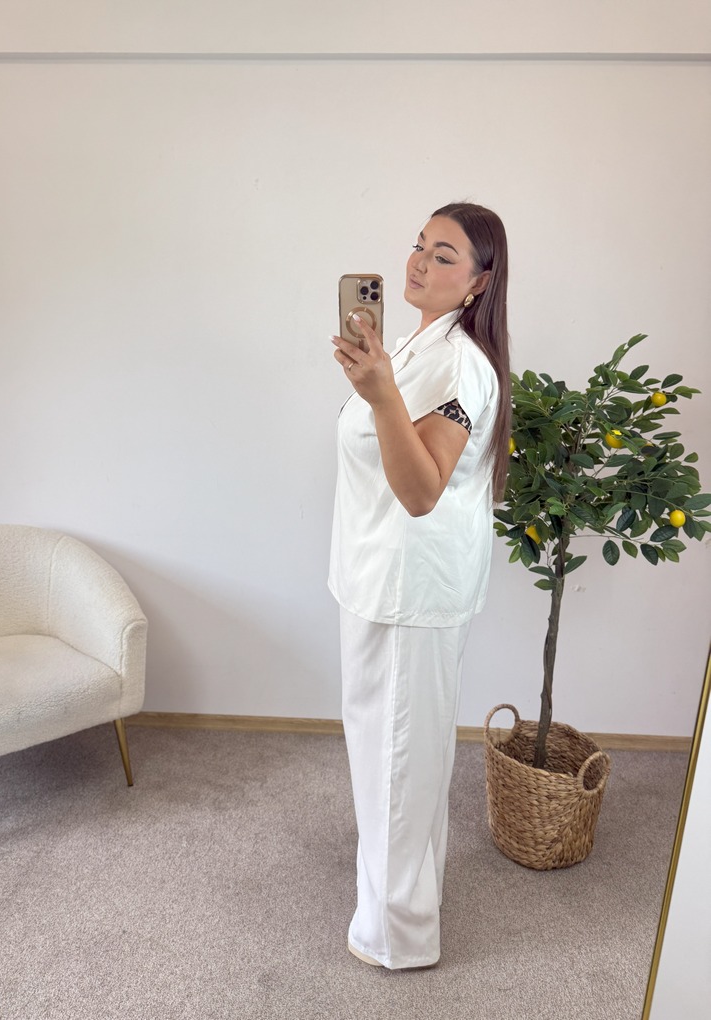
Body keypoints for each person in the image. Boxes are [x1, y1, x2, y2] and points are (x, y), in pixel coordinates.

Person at [328, 202, 511, 969]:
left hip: (412, 590)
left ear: (478, 282)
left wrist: (379, 395)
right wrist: (378, 380)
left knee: (399, 764)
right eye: (418, 246)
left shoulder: (459, 365)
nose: (417, 263)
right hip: (376, 577)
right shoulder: (411, 344)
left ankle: (398, 937)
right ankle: (401, 903)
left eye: (443, 255)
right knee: (390, 758)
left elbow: (421, 489)